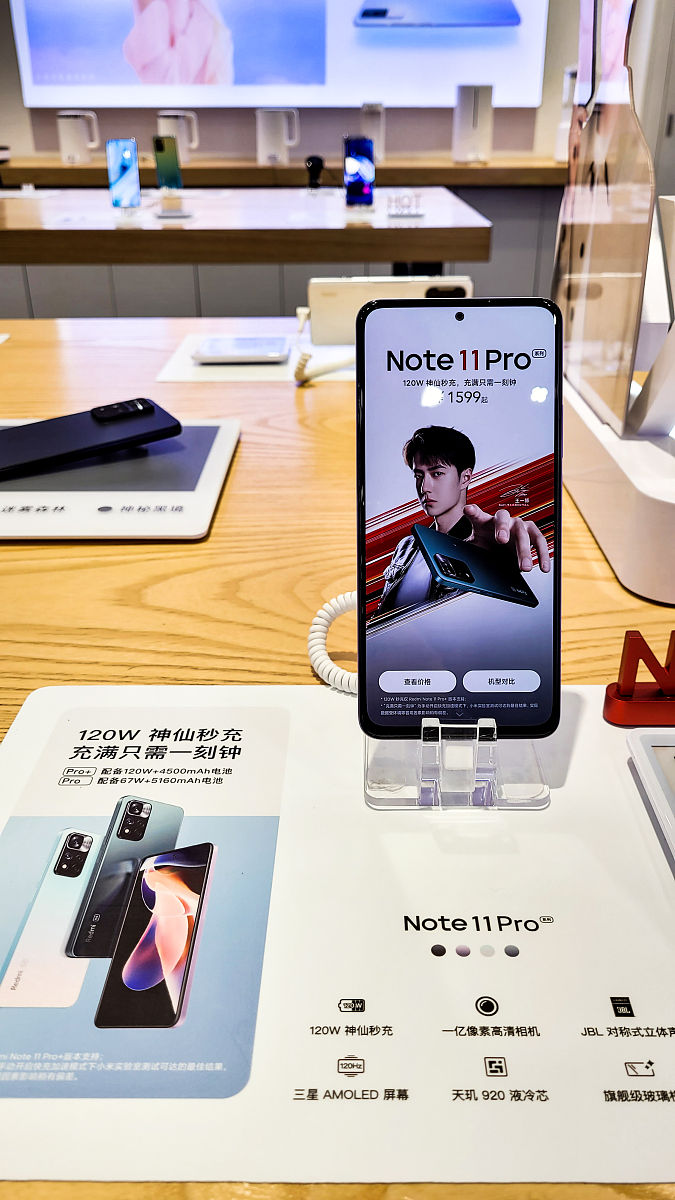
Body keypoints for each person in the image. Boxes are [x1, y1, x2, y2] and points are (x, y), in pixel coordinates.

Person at [377, 424, 550, 614]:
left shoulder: (483, 545)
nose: (424, 487)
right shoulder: (407, 546)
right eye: (419, 476)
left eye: (437, 473)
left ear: (465, 478)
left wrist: (499, 565)